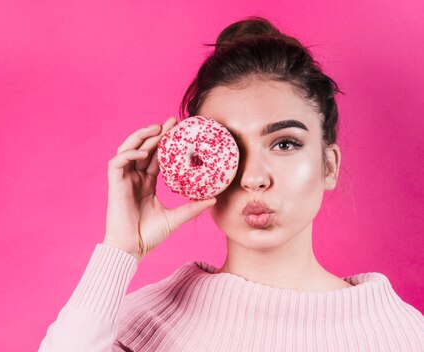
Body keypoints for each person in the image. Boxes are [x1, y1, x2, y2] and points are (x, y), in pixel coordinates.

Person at [38, 17, 424, 351]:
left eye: (285, 144)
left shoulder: (400, 334)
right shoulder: (142, 326)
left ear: (329, 166)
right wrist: (121, 248)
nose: (254, 177)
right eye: (230, 148)